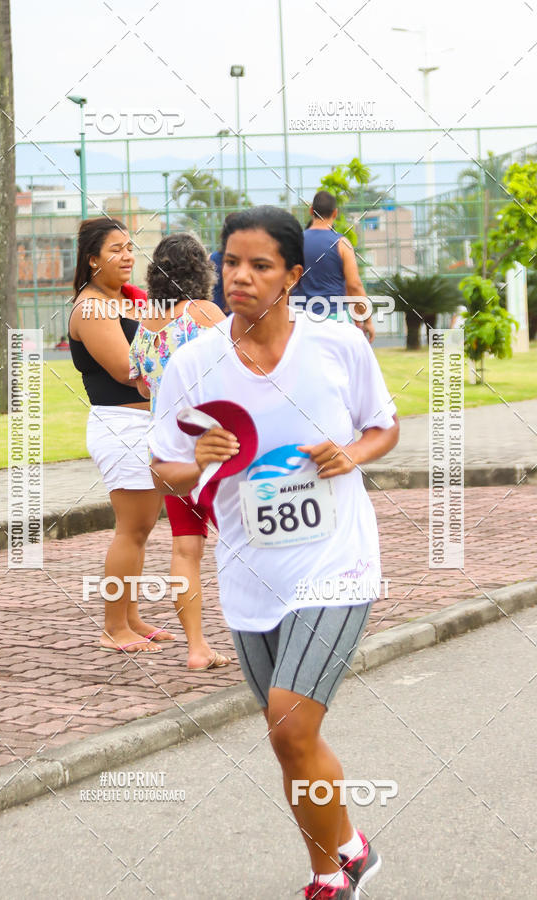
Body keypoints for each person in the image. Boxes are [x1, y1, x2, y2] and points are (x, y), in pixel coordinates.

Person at [148, 206, 399, 898]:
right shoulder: (195, 363)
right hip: (252, 573)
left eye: (260, 266)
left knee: (289, 721)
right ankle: (348, 846)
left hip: (337, 563)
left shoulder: (337, 345)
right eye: (231, 262)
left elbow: (384, 427)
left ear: (292, 275)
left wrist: (349, 452)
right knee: (290, 737)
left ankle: (329, 877)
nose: (241, 277)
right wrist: (194, 457)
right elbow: (162, 468)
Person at [68, 217, 174, 654]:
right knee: (131, 529)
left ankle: (130, 617)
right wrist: (176, 370)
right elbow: (125, 369)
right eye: (116, 249)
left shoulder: (127, 301)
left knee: (141, 527)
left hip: (145, 424)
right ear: (93, 260)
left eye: (130, 247)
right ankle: (114, 627)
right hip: (122, 426)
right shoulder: (91, 307)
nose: (128, 256)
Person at [127, 233, 231, 672]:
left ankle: (196, 647)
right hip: (219, 444)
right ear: (200, 270)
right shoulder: (205, 314)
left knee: (185, 548)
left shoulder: (146, 323)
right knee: (248, 541)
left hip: (172, 452)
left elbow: (139, 382)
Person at [298, 190, 375, 343]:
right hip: (334, 320)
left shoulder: (295, 242)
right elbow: (354, 285)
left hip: (300, 322)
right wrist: (368, 321)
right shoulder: (342, 244)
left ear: (311, 210)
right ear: (335, 213)